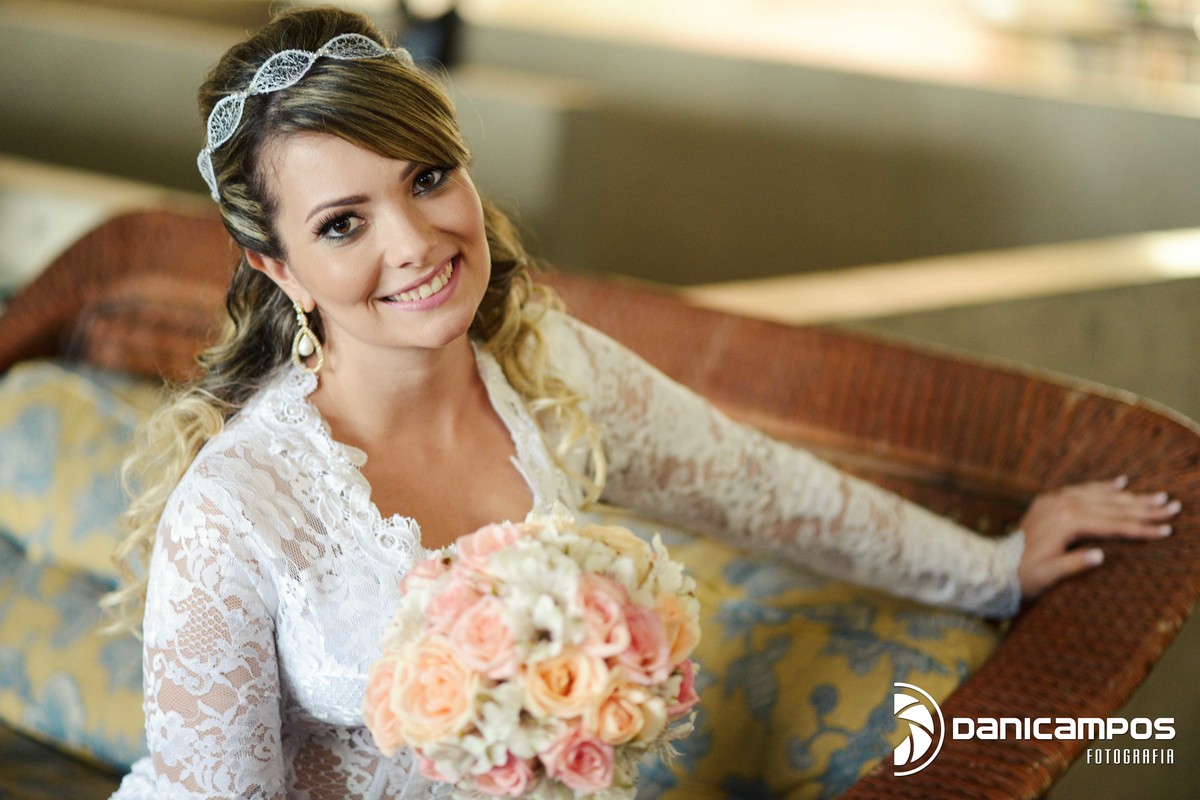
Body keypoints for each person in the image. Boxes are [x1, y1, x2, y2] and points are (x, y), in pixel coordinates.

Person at [103, 6, 1181, 799]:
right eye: (344, 223)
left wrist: (993, 566)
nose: (417, 242)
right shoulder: (238, 506)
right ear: (275, 265)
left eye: (429, 177)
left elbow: (768, 490)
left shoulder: (548, 367)